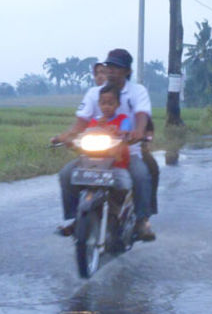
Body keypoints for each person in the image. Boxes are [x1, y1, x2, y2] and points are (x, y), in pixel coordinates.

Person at [51, 48, 156, 241]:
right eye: (109, 66)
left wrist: (138, 131)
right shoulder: (94, 93)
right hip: (95, 153)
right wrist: (64, 137)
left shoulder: (137, 91)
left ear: (126, 71)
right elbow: (80, 122)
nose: (111, 70)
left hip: (126, 151)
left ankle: (142, 221)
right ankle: (75, 219)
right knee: (66, 174)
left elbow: (142, 116)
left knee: (141, 175)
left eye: (116, 67)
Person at [55, 84, 133, 232]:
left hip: (115, 164)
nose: (107, 106)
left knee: (123, 183)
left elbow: (126, 132)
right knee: (65, 174)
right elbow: (81, 136)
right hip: (89, 163)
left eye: (111, 103)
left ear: (117, 104)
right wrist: (68, 140)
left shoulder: (123, 120)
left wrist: (119, 132)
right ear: (98, 104)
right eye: (103, 103)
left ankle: (115, 213)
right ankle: (73, 218)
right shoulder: (93, 122)